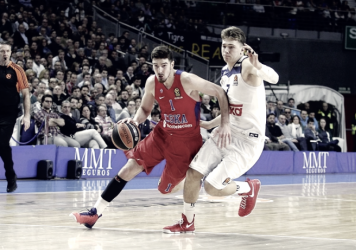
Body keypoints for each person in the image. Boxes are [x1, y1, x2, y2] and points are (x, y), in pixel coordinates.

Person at [70, 45, 230, 229]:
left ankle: (191, 179)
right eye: (156, 66)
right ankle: (95, 213)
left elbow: (220, 92)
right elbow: (145, 109)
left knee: (164, 189)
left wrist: (224, 123)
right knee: (128, 169)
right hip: (161, 134)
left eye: (164, 65)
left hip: (185, 143)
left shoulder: (187, 80)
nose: (160, 70)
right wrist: (136, 121)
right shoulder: (152, 83)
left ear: (171, 64)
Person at [163, 26, 279, 233]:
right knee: (193, 173)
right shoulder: (225, 73)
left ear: (243, 48)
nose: (226, 51)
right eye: (224, 46)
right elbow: (232, 109)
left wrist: (258, 64)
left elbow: (274, 78)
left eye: (231, 47)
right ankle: (187, 222)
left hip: (247, 142)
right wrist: (209, 124)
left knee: (212, 188)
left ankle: (248, 188)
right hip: (225, 133)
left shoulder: (249, 67)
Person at [0, 42, 30, 192]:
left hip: (9, 115)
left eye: (7, 51)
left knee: (2, 143)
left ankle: (10, 176)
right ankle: (11, 176)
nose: (5, 54)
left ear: (10, 52)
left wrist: (27, 116)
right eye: (2, 51)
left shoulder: (17, 69)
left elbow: (26, 94)